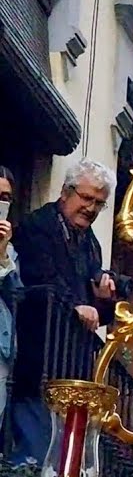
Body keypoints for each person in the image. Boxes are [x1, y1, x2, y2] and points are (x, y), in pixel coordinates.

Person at [10, 158, 119, 463]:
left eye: (99, 203)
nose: (91, 208)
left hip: (71, 364)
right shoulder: (38, 226)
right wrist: (76, 305)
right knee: (34, 453)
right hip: (36, 360)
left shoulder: (90, 242)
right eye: (86, 198)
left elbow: (96, 312)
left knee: (62, 458)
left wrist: (103, 297)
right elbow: (38, 278)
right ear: (65, 192)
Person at [0, 167, 22, 424]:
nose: (1, 203)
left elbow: (17, 295)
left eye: (6, 198)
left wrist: (3, 253)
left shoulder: (10, 251)